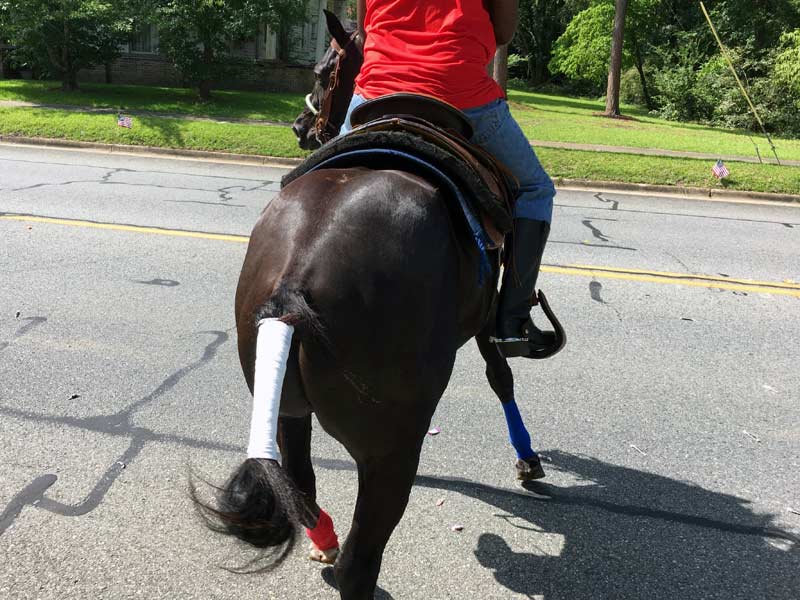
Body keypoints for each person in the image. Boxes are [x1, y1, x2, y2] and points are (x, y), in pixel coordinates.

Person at [342, 0, 556, 358]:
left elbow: (365, 31)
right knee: (535, 190)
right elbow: (502, 33)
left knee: (316, 177)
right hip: (459, 95)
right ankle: (511, 322)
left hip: (377, 93)